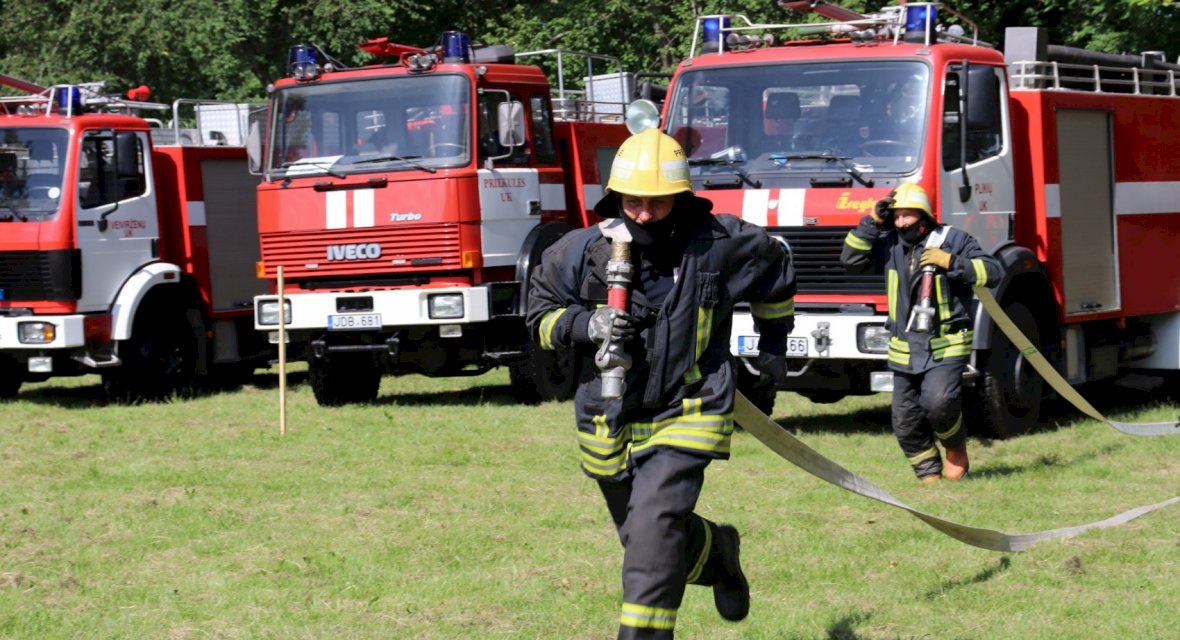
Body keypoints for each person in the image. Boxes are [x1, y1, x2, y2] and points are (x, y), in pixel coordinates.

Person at [526, 128, 796, 638]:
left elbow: (775, 271)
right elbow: (537, 318)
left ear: (681, 197)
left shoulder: (724, 244)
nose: (643, 214)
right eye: (633, 202)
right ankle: (716, 553)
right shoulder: (581, 251)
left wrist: (773, 348)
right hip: (607, 420)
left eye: (656, 203)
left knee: (650, 546)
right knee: (647, 538)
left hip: (689, 408)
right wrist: (587, 325)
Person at [841, 183, 1003, 483]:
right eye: (897, 216)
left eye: (908, 216)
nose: (902, 222)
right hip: (904, 346)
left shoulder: (953, 240)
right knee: (904, 421)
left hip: (946, 341)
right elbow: (851, 260)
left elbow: (993, 272)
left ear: (924, 216)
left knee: (938, 403)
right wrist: (872, 223)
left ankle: (955, 448)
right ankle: (929, 476)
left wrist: (952, 262)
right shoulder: (889, 243)